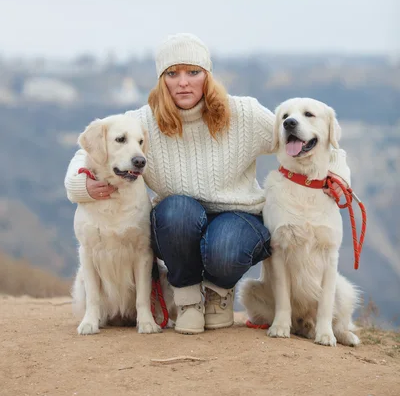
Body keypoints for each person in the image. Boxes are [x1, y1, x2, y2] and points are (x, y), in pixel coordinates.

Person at [65, 33, 350, 335]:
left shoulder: (243, 113)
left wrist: (339, 176)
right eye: (172, 74)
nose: (183, 82)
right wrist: (79, 187)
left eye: (193, 72)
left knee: (225, 243)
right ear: (162, 80)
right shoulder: (143, 122)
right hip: (179, 221)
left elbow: (307, 136)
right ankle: (187, 300)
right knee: (175, 211)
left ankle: (218, 295)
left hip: (238, 219)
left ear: (207, 76)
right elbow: (89, 150)